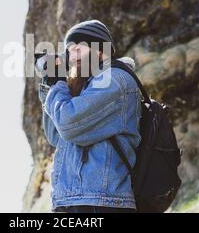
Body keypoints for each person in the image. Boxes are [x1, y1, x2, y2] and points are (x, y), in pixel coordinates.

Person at [37, 19, 142, 213]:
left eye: (79, 48)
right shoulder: (85, 87)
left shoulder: (115, 80)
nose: (71, 54)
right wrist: (49, 83)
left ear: (101, 49)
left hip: (102, 202)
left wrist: (58, 83)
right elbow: (55, 135)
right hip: (71, 200)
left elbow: (68, 125)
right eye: (69, 49)